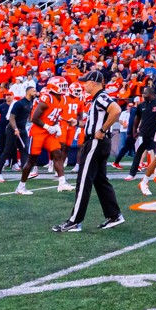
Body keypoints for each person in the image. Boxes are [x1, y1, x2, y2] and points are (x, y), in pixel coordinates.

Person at [53, 81, 126, 233]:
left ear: (94, 83)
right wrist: (79, 123)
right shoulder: (97, 99)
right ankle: (114, 215)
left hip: (95, 142)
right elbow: (94, 122)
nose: (84, 85)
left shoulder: (101, 97)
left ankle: (75, 221)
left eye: (86, 82)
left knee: (84, 181)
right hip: (98, 142)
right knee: (101, 181)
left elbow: (116, 109)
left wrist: (102, 129)